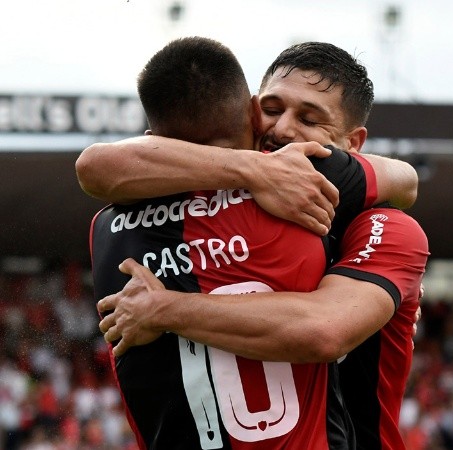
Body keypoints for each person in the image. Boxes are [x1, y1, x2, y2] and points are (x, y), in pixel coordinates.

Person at [88, 37, 427, 449]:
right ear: (251, 110)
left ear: (352, 145)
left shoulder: (385, 227)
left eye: (309, 119)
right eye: (272, 109)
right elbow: (96, 165)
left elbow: (324, 330)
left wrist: (163, 309)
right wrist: (255, 170)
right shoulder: (227, 191)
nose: (282, 129)